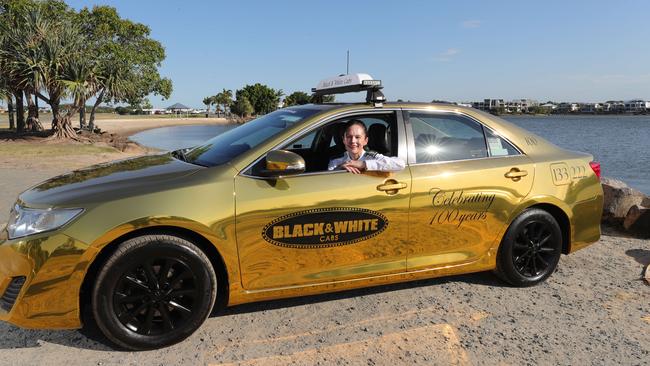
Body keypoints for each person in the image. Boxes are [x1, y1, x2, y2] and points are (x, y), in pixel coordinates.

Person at [328, 119, 405, 174]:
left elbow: (400, 164)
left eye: (357, 137)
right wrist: (339, 169)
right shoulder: (336, 161)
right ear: (344, 140)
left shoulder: (372, 157)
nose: (353, 141)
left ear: (365, 141)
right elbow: (327, 183)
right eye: (349, 137)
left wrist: (363, 164)